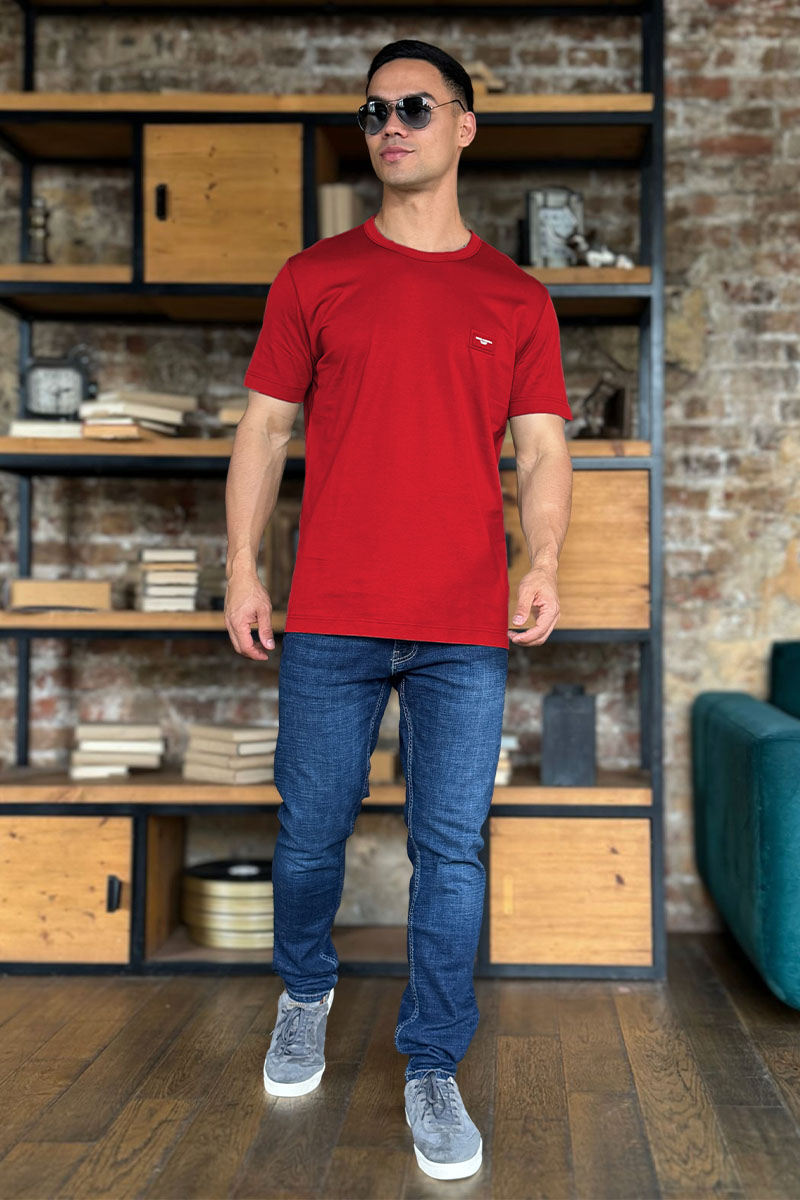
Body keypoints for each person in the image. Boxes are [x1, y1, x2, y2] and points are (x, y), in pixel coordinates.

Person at [224, 38, 573, 1183]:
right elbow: (264, 429)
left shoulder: (514, 298)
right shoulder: (312, 277)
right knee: (308, 834)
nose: (390, 125)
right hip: (331, 611)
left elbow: (541, 448)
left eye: (415, 107)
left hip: (462, 624)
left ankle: (430, 1063)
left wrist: (542, 560)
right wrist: (240, 568)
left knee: (448, 851)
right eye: (374, 110)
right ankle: (305, 993)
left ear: (463, 126)